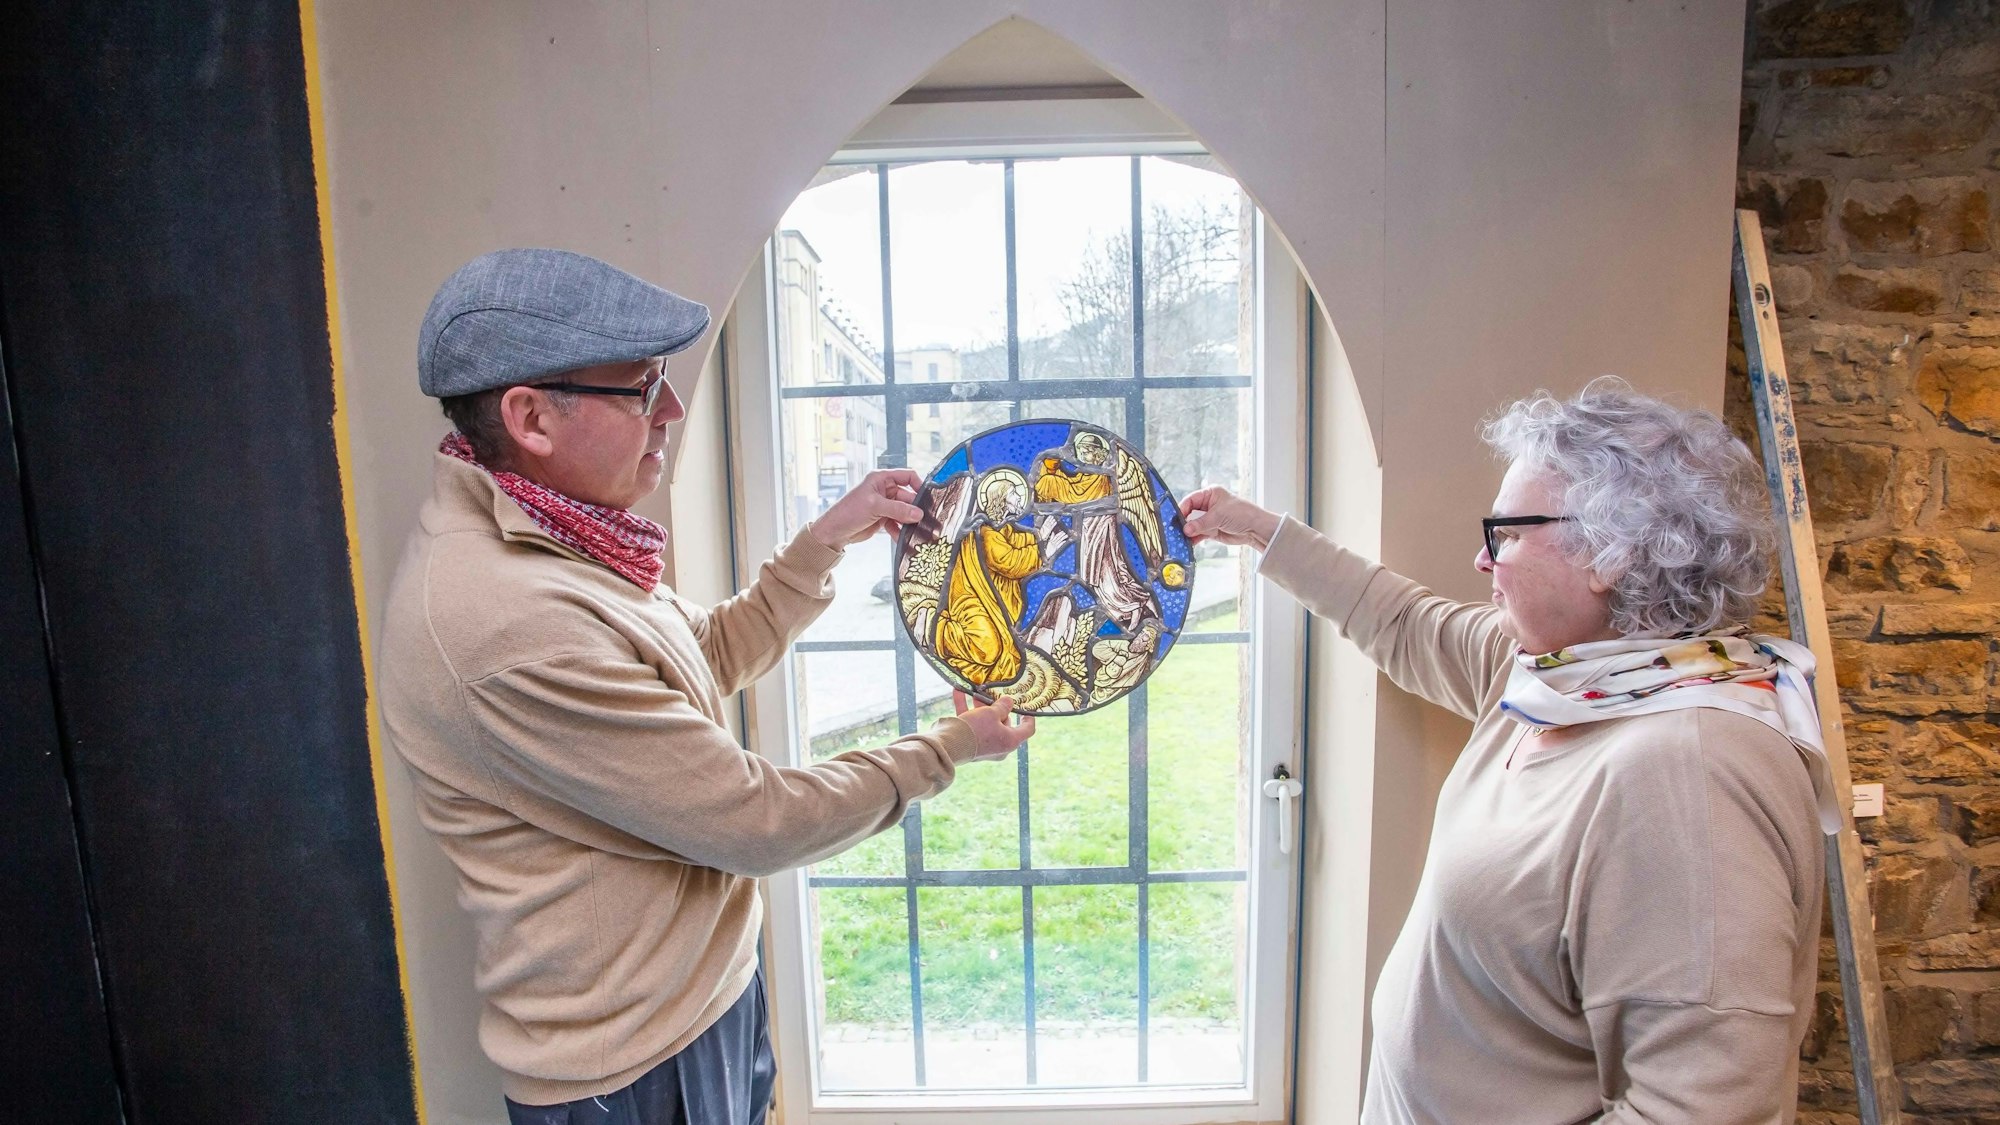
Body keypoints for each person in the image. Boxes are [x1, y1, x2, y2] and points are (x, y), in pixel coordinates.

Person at [378, 248, 1033, 1124]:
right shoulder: (508, 620)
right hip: (632, 1071)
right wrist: (951, 747)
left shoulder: (555, 539)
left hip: (695, 1009)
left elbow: (705, 654)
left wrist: (828, 538)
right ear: (530, 417)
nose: (673, 410)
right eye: (643, 386)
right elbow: (759, 821)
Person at [1180, 379, 1840, 1123]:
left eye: (1507, 534)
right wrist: (1260, 532)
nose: (1480, 559)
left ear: (1612, 553)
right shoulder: (1564, 675)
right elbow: (1403, 623)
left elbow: (1699, 1109)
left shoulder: (1689, 773)